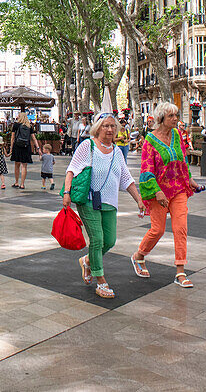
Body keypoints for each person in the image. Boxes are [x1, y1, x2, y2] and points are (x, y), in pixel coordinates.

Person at [62, 112, 144, 300]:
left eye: (113, 126)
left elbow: (126, 178)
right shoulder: (87, 146)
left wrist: (138, 199)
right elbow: (71, 170)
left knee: (110, 241)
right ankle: (101, 280)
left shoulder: (117, 151)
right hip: (89, 200)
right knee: (97, 240)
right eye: (106, 126)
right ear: (98, 128)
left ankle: (87, 261)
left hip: (109, 202)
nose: (109, 129)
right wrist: (67, 193)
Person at [133, 101, 200, 289]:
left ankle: (180, 271)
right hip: (158, 191)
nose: (176, 119)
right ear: (161, 118)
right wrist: (157, 191)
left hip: (179, 188)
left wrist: (191, 180)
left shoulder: (177, 135)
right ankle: (139, 255)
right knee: (158, 230)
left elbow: (183, 160)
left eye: (176, 115)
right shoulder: (149, 140)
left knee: (181, 229)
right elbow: (146, 169)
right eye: (171, 116)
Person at [10, 113, 40, 189]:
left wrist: (11, 147)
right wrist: (38, 148)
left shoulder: (16, 125)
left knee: (17, 165)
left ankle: (16, 182)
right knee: (24, 166)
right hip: (26, 146)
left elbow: (12, 137)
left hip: (17, 146)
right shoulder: (29, 126)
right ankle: (22, 184)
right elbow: (34, 138)